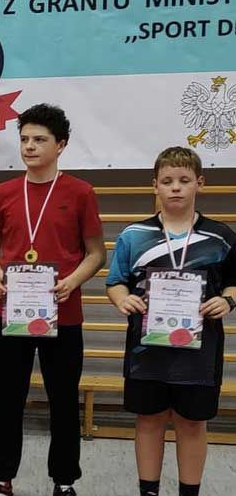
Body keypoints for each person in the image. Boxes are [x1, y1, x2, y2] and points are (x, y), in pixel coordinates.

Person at [0, 104, 105, 496]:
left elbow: (97, 253)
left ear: (60, 144)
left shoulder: (80, 193)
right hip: (10, 312)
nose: (29, 146)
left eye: (40, 140)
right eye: (25, 139)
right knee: (7, 398)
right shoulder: (4, 193)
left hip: (63, 315)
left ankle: (64, 482)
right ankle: (0, 480)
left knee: (62, 400)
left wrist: (72, 281)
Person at [106, 147, 236, 496]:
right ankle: (148, 491)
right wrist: (122, 299)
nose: (175, 187)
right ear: (155, 186)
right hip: (146, 351)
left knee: (192, 424)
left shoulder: (221, 237)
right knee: (148, 420)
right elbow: (115, 282)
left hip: (200, 354)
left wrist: (227, 300)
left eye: (184, 180)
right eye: (167, 181)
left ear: (199, 183)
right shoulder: (133, 235)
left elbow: (234, 282)